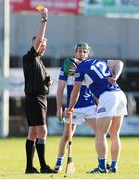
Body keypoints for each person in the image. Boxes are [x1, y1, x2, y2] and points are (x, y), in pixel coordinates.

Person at [66, 58, 127, 173]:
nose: (72, 72)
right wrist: (116, 77)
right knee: (114, 134)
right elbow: (119, 63)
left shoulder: (80, 68)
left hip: (108, 96)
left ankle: (102, 168)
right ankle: (114, 166)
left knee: (100, 133)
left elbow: (75, 91)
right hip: (120, 95)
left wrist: (70, 107)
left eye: (71, 70)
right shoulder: (97, 60)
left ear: (74, 65)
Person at [22, 8, 56, 174]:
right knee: (42, 131)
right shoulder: (30, 57)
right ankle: (43, 166)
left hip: (38, 98)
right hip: (34, 98)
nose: (43, 45)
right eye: (41, 43)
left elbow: (41, 81)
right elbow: (39, 39)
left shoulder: (39, 62)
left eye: (45, 44)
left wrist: (47, 82)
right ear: (34, 44)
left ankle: (30, 167)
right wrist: (44, 20)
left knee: (34, 132)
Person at [54, 42, 97, 173]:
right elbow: (60, 88)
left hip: (89, 106)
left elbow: (95, 88)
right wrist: (59, 108)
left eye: (84, 51)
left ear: (87, 53)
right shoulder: (67, 66)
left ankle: (103, 163)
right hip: (73, 108)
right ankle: (59, 163)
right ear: (74, 52)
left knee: (100, 133)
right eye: (79, 51)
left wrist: (98, 103)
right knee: (66, 136)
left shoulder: (91, 66)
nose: (81, 54)